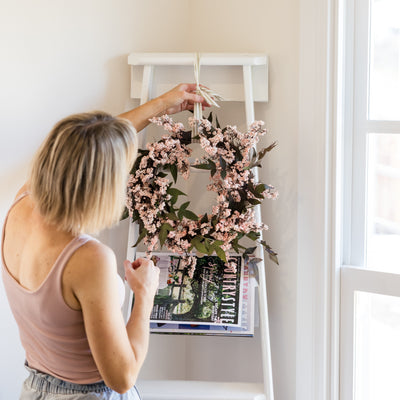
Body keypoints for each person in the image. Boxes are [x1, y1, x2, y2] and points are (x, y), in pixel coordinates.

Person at [1, 84, 208, 399]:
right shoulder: (88, 259)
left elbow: (94, 142)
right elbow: (122, 377)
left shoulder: (21, 203)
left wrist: (163, 103)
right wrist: (145, 294)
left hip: (35, 389)